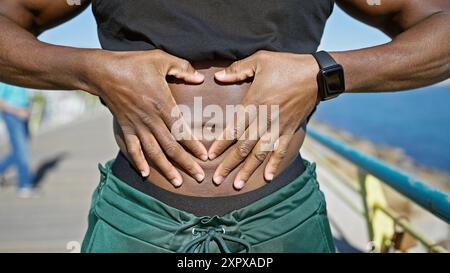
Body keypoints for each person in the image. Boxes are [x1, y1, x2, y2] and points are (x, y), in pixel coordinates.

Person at [0, 0, 448, 252]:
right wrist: (90, 70)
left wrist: (325, 74)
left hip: (281, 219)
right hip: (138, 216)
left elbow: (440, 26)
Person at [0, 83, 34, 197]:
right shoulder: (4, 78)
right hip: (13, 116)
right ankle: (24, 185)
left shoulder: (19, 76)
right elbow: (1, 102)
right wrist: (18, 112)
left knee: (18, 151)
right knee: (22, 151)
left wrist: (27, 109)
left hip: (24, 115)